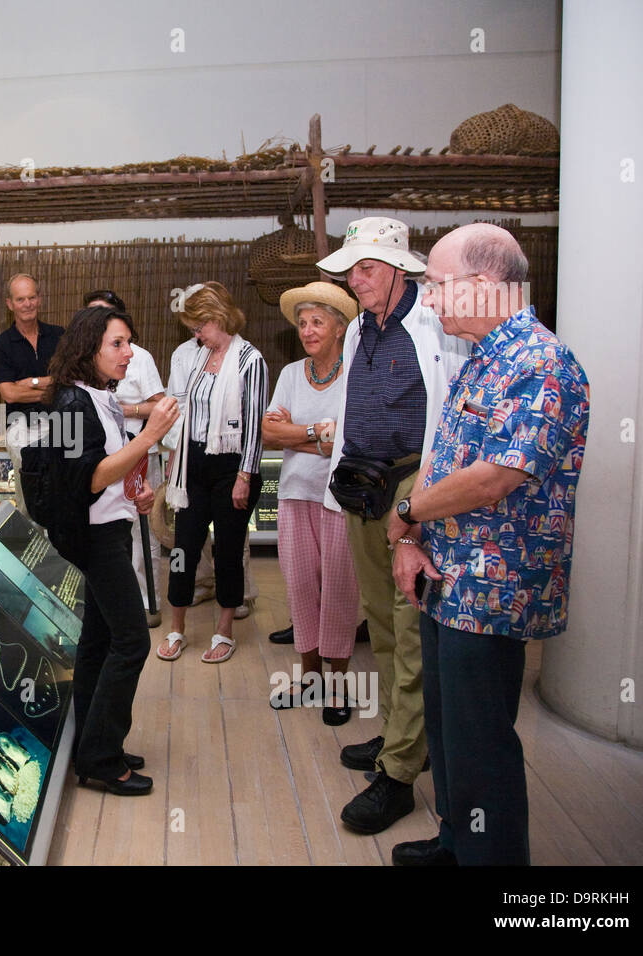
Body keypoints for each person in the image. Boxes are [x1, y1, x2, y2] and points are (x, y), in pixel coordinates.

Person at [386, 223, 589, 865]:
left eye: (437, 287)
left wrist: (406, 509)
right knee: (450, 734)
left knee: (481, 745)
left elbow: (495, 477)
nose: (431, 301)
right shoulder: (483, 360)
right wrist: (414, 536)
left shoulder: (542, 364)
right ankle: (456, 841)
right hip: (449, 580)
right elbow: (449, 461)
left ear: (482, 285)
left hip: (491, 592)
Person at [315, 218, 470, 835]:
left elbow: (455, 413)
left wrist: (427, 502)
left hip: (414, 486)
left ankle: (401, 773)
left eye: (369, 268)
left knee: (410, 627)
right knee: (379, 621)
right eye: (352, 269)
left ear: (401, 269)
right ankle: (400, 735)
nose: (358, 279)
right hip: (361, 483)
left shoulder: (435, 325)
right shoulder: (356, 329)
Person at [43, 306, 179, 795]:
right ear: (89, 348)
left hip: (111, 528)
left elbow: (106, 474)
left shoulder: (99, 396)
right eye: (117, 344)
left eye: (129, 342)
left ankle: (92, 744)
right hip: (96, 541)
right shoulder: (70, 404)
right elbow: (86, 477)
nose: (129, 353)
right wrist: (151, 436)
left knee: (99, 644)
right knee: (132, 641)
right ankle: (100, 758)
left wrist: (133, 495)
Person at [262, 282, 361, 725]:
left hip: (341, 498)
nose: (307, 330)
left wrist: (297, 431)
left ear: (339, 328)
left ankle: (338, 688)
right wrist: (314, 433)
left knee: (338, 590)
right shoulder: (289, 375)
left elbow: (347, 438)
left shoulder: (357, 373)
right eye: (302, 323)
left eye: (317, 322)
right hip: (294, 493)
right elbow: (268, 434)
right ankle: (309, 680)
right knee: (301, 585)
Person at [158, 282, 268, 664]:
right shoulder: (201, 357)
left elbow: (255, 426)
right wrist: (175, 457)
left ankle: (224, 630)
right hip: (195, 462)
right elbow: (188, 413)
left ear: (217, 318)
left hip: (231, 466)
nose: (195, 334)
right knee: (182, 549)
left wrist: (244, 476)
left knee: (228, 550)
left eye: (198, 327)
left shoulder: (250, 360)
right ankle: (177, 627)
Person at [84, 289, 166, 628]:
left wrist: (128, 412)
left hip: (139, 458)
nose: (125, 351)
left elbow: (158, 402)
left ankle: (148, 601)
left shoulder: (137, 358)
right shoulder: (79, 391)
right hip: (105, 474)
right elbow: (86, 474)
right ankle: (117, 608)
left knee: (143, 533)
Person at [0, 274, 64, 512]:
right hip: (21, 425)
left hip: (62, 423)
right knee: (29, 494)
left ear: (39, 299)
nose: (27, 304)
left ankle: (59, 546)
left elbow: (69, 381)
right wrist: (51, 388)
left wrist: (30, 382)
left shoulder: (59, 336)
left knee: (60, 489)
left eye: (32, 297)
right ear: (10, 304)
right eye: (21, 299)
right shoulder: (1, 344)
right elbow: (9, 394)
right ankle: (30, 542)